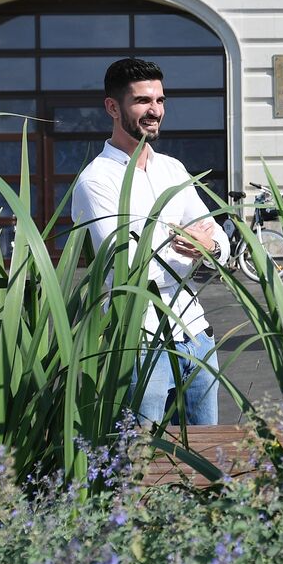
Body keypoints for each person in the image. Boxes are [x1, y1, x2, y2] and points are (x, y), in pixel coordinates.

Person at [71, 58, 228, 426]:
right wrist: (191, 249)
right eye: (142, 101)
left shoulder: (172, 168)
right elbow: (126, 264)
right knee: (144, 459)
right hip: (141, 341)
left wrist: (211, 246)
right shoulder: (97, 181)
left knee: (207, 457)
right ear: (113, 107)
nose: (154, 110)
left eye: (159, 100)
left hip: (196, 333)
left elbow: (217, 235)